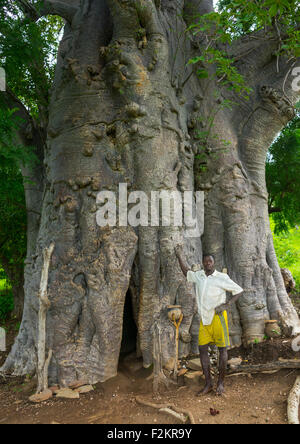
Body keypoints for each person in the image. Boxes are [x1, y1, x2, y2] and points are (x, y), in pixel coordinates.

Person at [175, 245, 243, 396]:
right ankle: (208, 384)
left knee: (222, 350)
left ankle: (220, 383)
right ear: (203, 263)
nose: (208, 264)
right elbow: (187, 272)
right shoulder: (199, 275)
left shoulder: (221, 277)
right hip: (204, 320)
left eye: (210, 261)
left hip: (218, 319)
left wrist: (227, 304)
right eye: (205, 262)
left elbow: (238, 290)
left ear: (214, 262)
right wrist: (180, 256)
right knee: (202, 349)